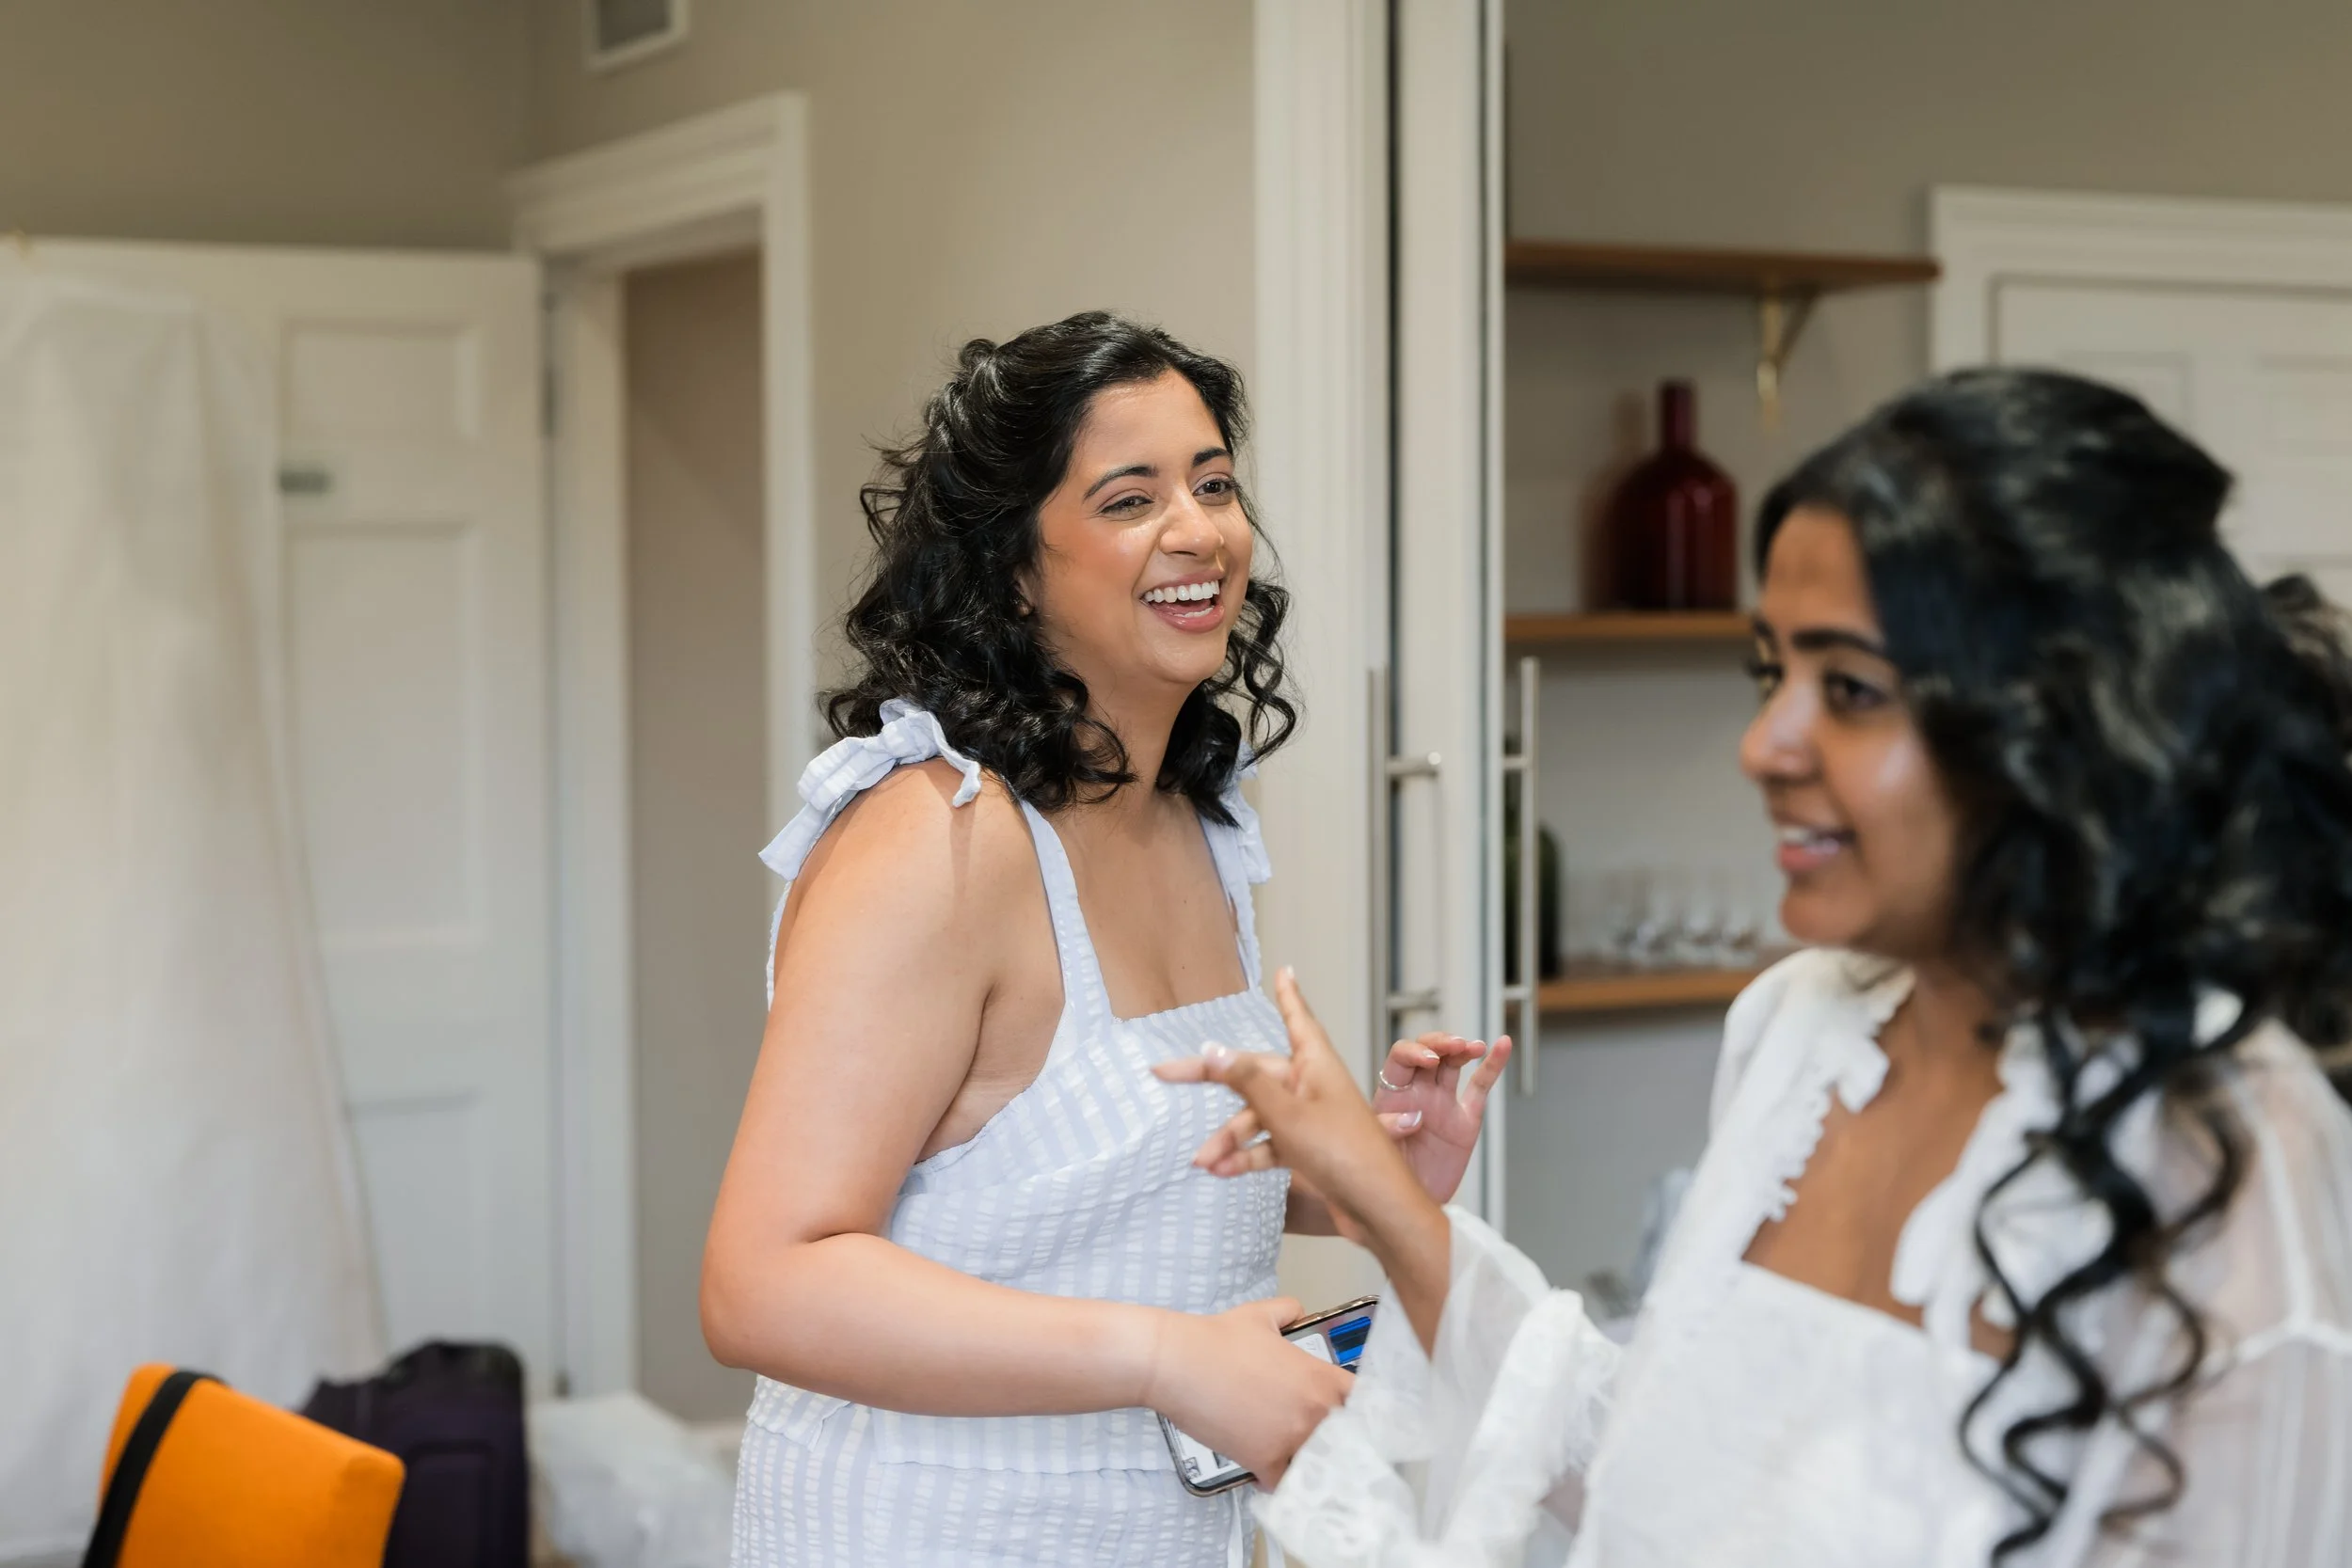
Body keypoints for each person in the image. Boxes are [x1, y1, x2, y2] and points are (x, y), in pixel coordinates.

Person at [1161, 369, 2352, 1566]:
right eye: (1768, 672)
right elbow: (1662, 1476)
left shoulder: (2223, 1143)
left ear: (2058, 719)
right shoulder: (1796, 1025)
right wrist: (1376, 1193)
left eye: (1849, 688)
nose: (1764, 743)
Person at [702, 311, 1513, 1568]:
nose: (1198, 529)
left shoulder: (1196, 820)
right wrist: (1163, 1353)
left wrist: (1361, 1176)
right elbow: (764, 1277)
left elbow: (1085, 1178)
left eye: (1216, 483)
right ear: (1014, 566)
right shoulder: (937, 839)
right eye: (1131, 498)